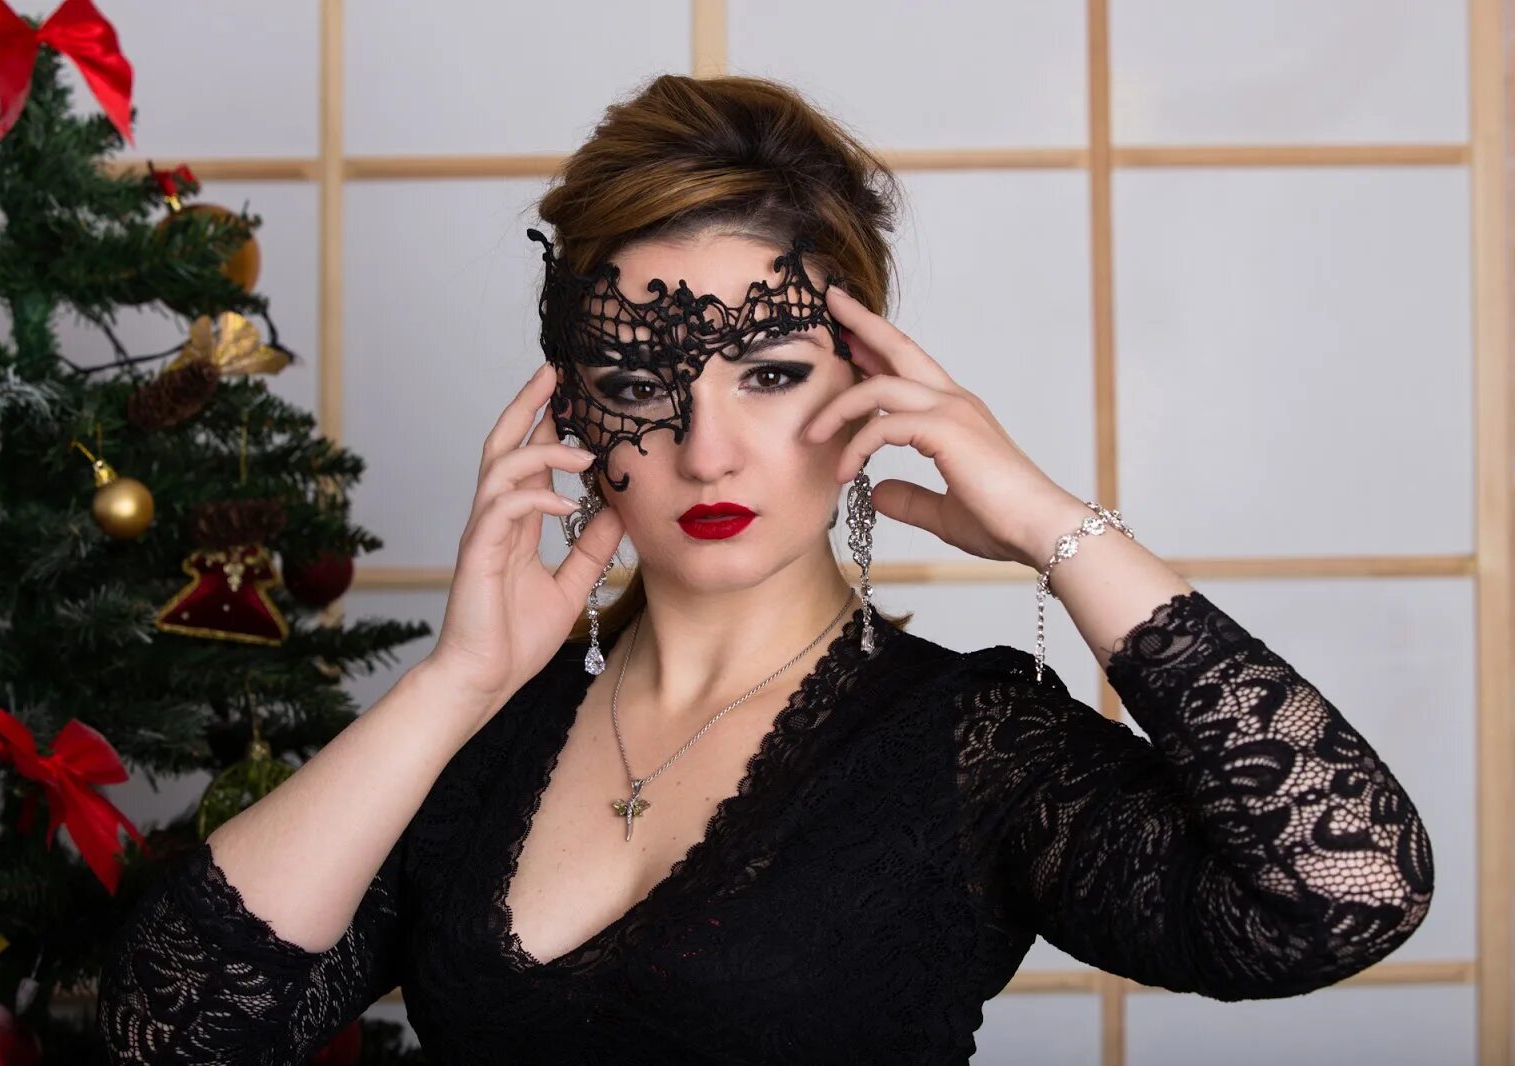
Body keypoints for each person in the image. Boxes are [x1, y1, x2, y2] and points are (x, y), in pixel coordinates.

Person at [96, 74, 1434, 1065]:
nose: (706, 447)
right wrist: (455, 685)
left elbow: (1347, 891)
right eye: (641, 382)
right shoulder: (480, 746)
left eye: (772, 374)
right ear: (572, 406)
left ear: (873, 383)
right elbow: (170, 1032)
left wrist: (1051, 523)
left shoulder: (974, 748)